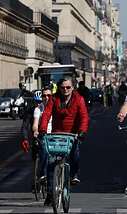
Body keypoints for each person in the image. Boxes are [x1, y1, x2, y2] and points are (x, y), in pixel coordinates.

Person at [39, 76, 88, 205]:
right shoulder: (54, 99)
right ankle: (50, 193)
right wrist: (42, 129)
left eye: (68, 87)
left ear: (73, 88)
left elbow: (84, 116)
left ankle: (75, 174)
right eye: (62, 87)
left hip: (72, 134)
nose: (65, 90)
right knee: (51, 163)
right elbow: (46, 114)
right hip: (57, 134)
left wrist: (82, 131)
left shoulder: (79, 100)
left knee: (75, 153)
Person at [32, 87, 53, 181]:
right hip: (44, 134)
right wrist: (36, 131)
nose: (46, 98)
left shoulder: (57, 107)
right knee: (44, 149)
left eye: (49, 95)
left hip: (55, 134)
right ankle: (43, 173)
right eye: (44, 96)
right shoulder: (38, 109)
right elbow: (35, 124)